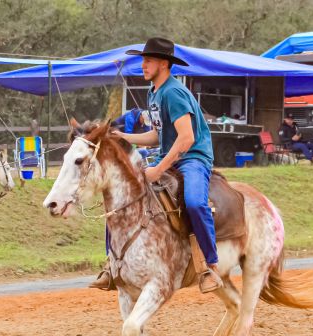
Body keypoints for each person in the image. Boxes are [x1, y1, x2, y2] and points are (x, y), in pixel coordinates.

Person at [91, 37, 223, 294]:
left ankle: (210, 265)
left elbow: (187, 138)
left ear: (164, 63)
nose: (143, 65)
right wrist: (125, 138)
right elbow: (157, 135)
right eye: (143, 60)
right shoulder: (154, 92)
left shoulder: (173, 92)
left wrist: (158, 169)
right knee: (119, 198)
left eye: (148, 60)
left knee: (195, 203)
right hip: (169, 154)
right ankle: (112, 264)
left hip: (193, 157)